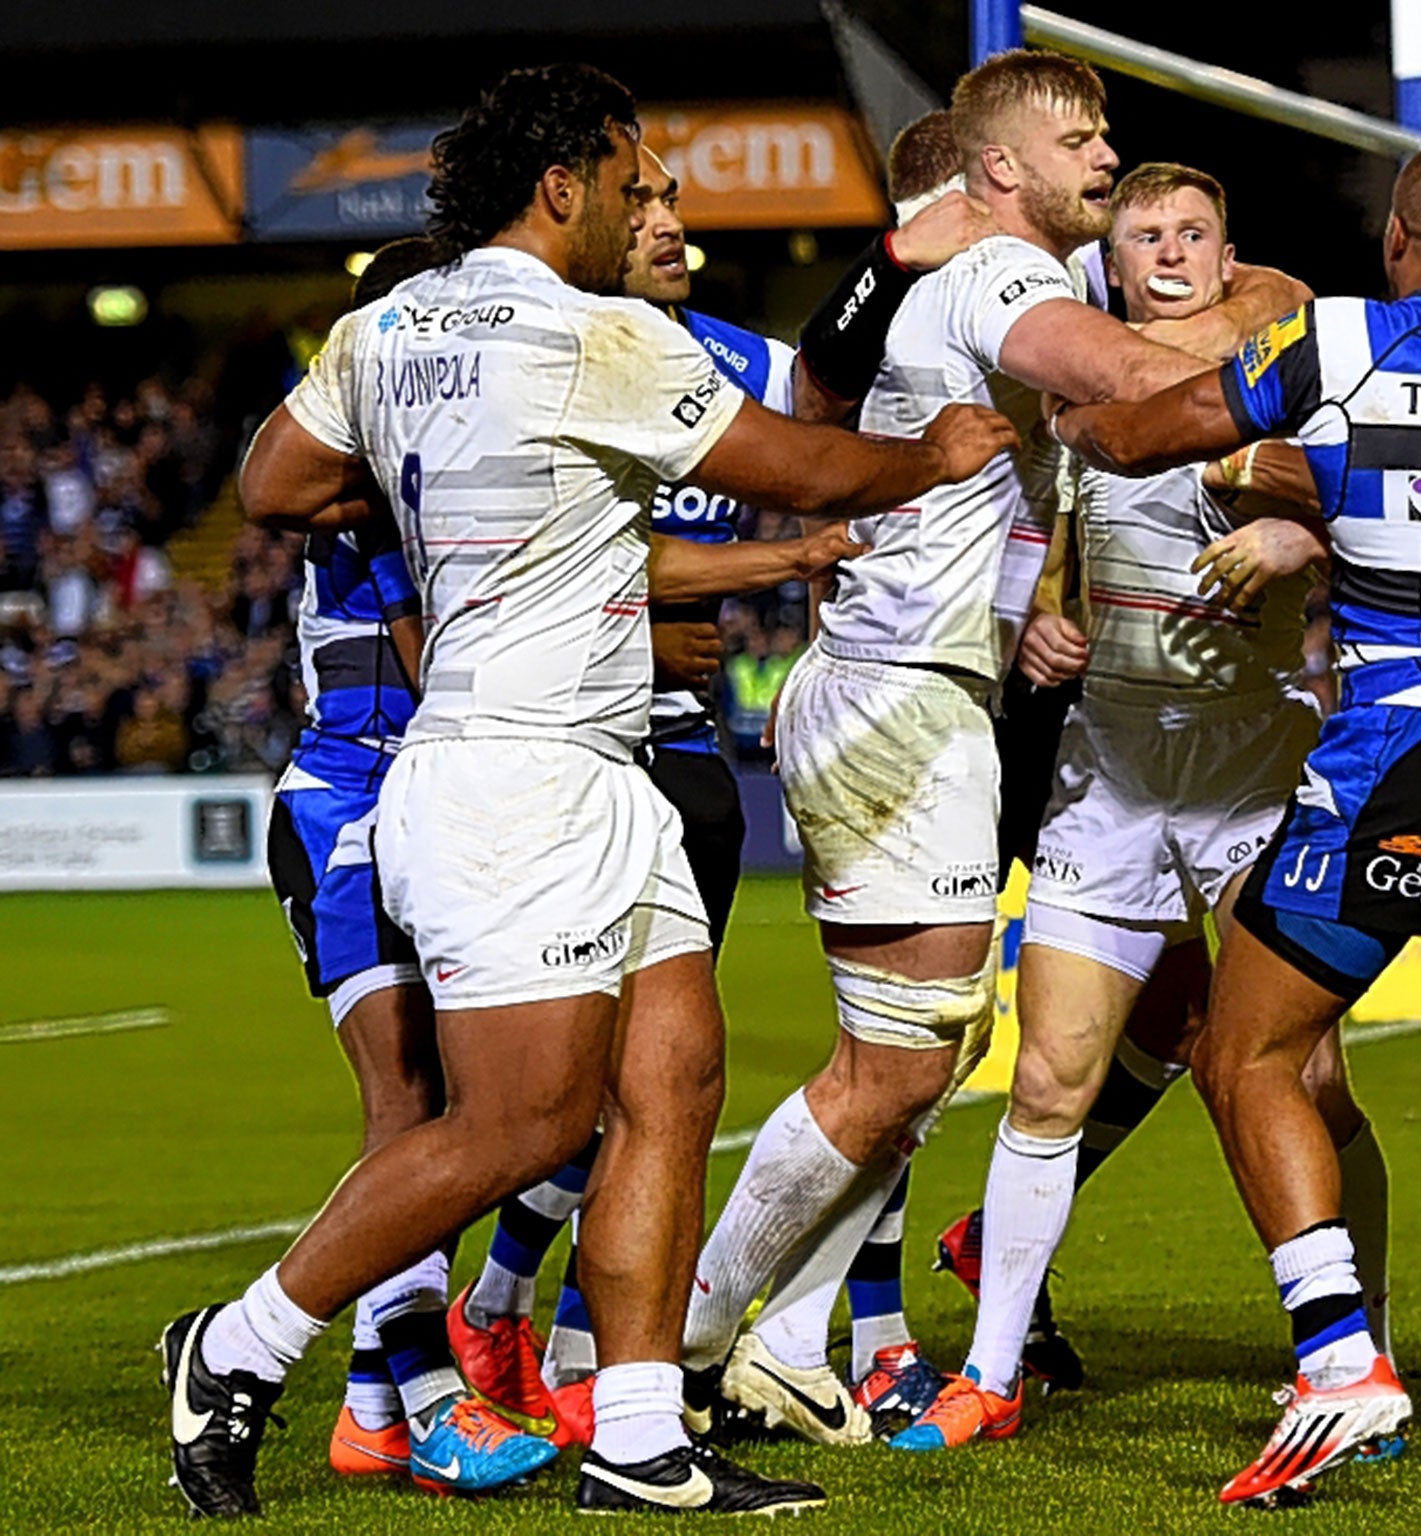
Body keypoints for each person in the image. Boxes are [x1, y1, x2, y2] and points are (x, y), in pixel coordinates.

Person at [159, 61, 1015, 1519]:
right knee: (522, 1127)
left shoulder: (387, 327)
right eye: (632, 182)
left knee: (672, 1086)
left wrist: (446, 496)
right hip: (511, 775)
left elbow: (274, 488)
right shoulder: (596, 335)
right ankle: (238, 1349)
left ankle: (638, 1435)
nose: (645, 209)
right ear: (562, 187)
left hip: (592, 764)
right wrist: (929, 455)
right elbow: (798, 465)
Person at [675, 46, 1227, 1432]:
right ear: (999, 169)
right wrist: (1321, 377)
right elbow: (1126, 381)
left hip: (905, 693)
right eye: (1077, 136)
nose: (1105, 153)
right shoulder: (1000, 277)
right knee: (905, 1063)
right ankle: (670, 1344)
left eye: (1108, 131)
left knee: (919, 1053)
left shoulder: (942, 278)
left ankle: (788, 1340)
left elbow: (823, 384)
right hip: (901, 701)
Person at [1049, 140, 1421, 1503]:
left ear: (1400, 241)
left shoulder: (1337, 338)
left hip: (1404, 748)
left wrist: (1058, 420)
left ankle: (1341, 1363)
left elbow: (1138, 435)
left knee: (1244, 1055)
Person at [443, 134, 1000, 1451]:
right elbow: (554, 553)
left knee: (785, 1059)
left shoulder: (738, 366)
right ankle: (497, 1319)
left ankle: (806, 1338)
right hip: (550, 745)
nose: (670, 225)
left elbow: (833, 435)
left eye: (677, 202)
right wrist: (732, 577)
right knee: (580, 1082)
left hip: (686, 751)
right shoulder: (542, 356)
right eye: (645, 206)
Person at [891, 160, 1390, 1455]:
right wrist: (1047, 609)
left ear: (1229, 258)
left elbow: (1396, 517)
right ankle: (988, 1380)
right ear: (1109, 267)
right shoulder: (1072, 394)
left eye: (1194, 233)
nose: (1168, 251)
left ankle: (1354, 1358)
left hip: (1251, 777)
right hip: (1111, 774)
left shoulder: (1285, 378)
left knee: (1312, 1083)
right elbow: (1045, 538)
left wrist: (1305, 538)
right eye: (1145, 234)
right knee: (1049, 1079)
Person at [266, 235, 559, 1495]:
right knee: (409, 1105)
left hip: (440, 797)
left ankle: (376, 1404)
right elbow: (441, 646)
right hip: (351, 808)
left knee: (501, 1100)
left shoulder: (419, 475)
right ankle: (431, 1398)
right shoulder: (374, 485)